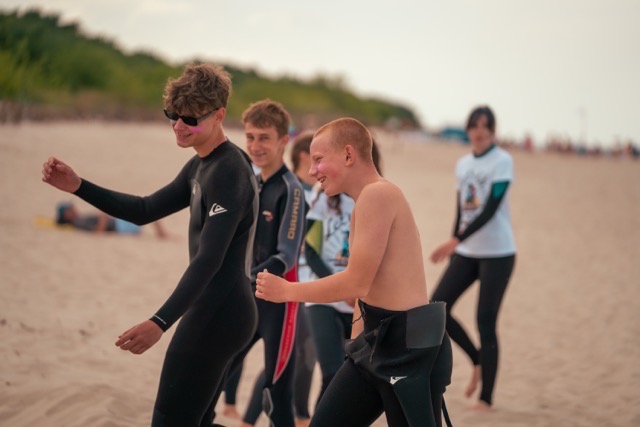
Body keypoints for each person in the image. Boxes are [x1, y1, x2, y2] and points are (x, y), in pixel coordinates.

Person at [41, 63, 260, 427]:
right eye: (173, 115)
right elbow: (144, 210)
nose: (178, 125)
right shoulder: (201, 165)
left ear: (219, 115)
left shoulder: (228, 171)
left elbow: (209, 259)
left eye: (190, 118)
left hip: (220, 313)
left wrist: (160, 321)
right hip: (222, 310)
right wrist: (79, 186)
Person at [255, 118, 453, 427]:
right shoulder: (363, 200)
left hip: (408, 347)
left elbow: (355, 283)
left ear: (348, 155)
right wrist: (356, 344)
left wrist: (287, 291)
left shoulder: (378, 194)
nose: (312, 170)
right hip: (375, 343)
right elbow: (366, 290)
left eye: (318, 159)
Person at [217, 99, 306, 427]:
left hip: (279, 305)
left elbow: (286, 255)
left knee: (277, 391)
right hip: (247, 296)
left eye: (264, 138)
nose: (255, 146)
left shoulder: (292, 190)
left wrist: (245, 277)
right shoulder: (250, 183)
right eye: (250, 137)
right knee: (218, 371)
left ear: (284, 140)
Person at [429, 105, 516, 412]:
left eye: (485, 126)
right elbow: (461, 210)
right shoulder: (463, 164)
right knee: (437, 308)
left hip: (498, 253)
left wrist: (456, 240)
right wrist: (455, 243)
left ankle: (486, 398)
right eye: (474, 126)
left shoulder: (502, 161)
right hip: (466, 252)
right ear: (468, 130)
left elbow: (491, 208)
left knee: (485, 321)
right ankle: (477, 359)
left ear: (493, 130)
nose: (479, 131)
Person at [55, 201, 168, 238]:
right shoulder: (79, 222)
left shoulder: (79, 219)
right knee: (148, 212)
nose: (74, 209)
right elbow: (97, 232)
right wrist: (103, 216)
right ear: (66, 215)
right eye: (70, 209)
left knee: (147, 212)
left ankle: (163, 235)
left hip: (118, 222)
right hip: (119, 227)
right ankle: (163, 236)